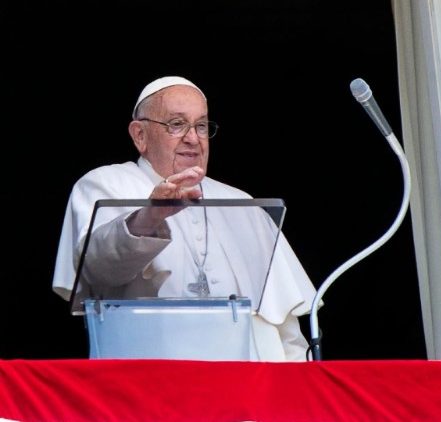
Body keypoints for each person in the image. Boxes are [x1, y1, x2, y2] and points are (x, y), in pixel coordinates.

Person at [51, 76, 317, 362]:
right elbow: (98, 268)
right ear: (139, 135)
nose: (193, 138)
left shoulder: (244, 204)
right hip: (149, 379)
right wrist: (149, 217)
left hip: (245, 387)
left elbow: (286, 328)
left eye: (201, 126)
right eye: (176, 124)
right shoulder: (105, 184)